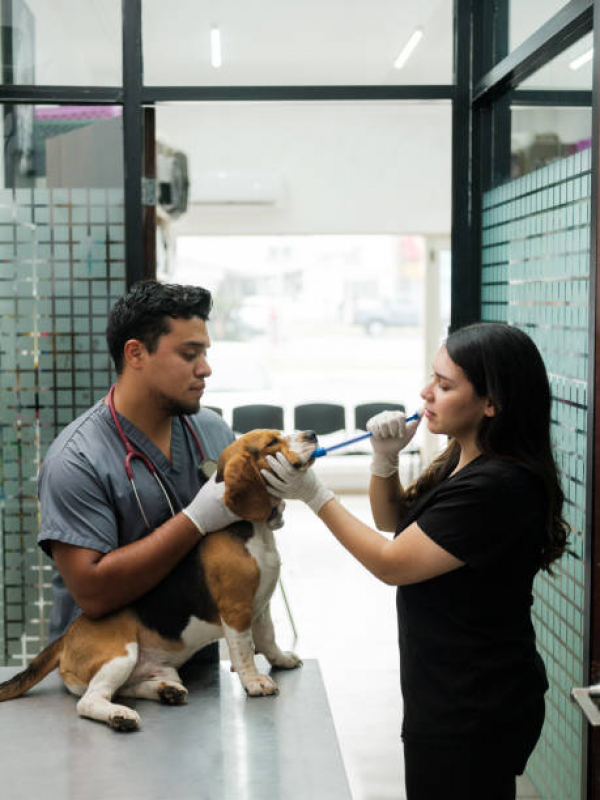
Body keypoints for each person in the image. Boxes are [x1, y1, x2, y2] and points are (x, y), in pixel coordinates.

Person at [262, 322, 568, 800]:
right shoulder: (464, 457)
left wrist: (313, 493)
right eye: (432, 377)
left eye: (445, 386)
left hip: (472, 703)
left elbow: (392, 562)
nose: (426, 392)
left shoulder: (495, 486)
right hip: (450, 688)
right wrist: (383, 461)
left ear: (492, 403)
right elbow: (395, 522)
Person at [38, 280, 246, 646]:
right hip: (100, 675)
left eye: (205, 353)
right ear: (135, 354)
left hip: (188, 663)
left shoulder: (212, 432)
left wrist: (266, 500)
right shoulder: (77, 459)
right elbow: (94, 593)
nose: (206, 369)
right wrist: (195, 520)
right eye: (189, 354)